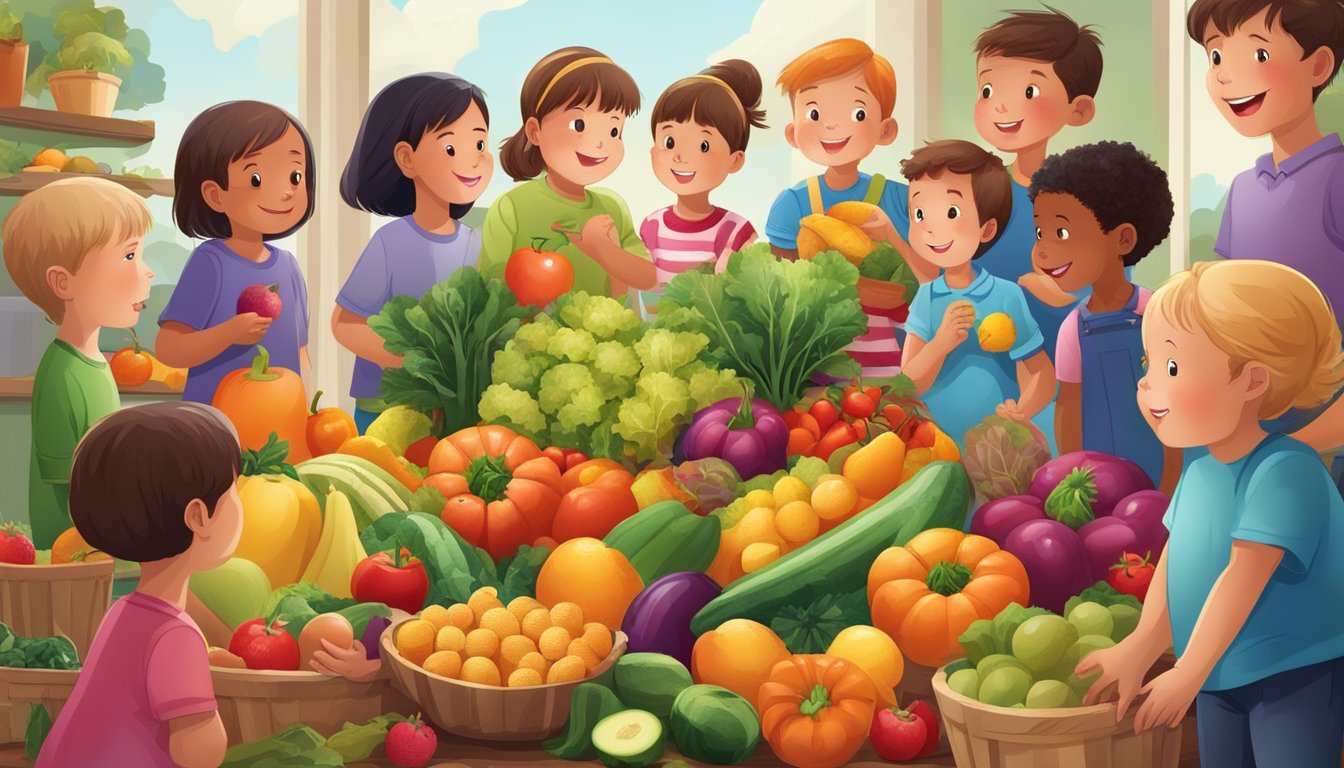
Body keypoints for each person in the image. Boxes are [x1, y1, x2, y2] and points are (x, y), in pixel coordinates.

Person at [1077, 260, 1344, 768]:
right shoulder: (1201, 473)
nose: (1148, 385)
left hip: (1291, 673)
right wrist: (1142, 643)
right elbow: (1179, 566)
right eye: (1148, 366)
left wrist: (1187, 671)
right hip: (1218, 671)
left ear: (1252, 381)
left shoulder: (1286, 471)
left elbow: (1242, 579)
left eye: (1171, 368)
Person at [39, 402, 243, 768]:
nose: (241, 506)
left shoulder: (122, 611)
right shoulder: (176, 635)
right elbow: (197, 753)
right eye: (234, 492)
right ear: (198, 516)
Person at [1187, 0, 1344, 453]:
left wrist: (1310, 442)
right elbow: (1223, 313)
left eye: (1258, 55)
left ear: (1317, 65)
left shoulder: (1336, 179)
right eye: (1216, 56)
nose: (1225, 75)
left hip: (1324, 429)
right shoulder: (1243, 189)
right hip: (1252, 421)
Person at [334, 73, 494, 433]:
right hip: (387, 409)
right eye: (451, 148)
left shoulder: (477, 244)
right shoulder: (391, 243)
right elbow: (345, 324)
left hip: (458, 414)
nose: (472, 161)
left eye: (480, 146)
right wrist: (410, 363)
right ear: (407, 159)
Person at [0, 177, 154, 549]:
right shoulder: (62, 375)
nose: (147, 271)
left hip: (101, 539)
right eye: (129, 256)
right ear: (63, 283)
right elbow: (70, 482)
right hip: (72, 553)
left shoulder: (94, 363)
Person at [1030, 141, 1182, 493]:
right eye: (1041, 233)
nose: (1043, 249)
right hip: (1095, 481)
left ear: (1123, 239)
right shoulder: (1073, 329)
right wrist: (1071, 481)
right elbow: (1068, 408)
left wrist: (1172, 482)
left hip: (1159, 471)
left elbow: (1176, 400)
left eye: (1062, 232)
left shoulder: (1157, 314)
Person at [766, 38, 922, 379]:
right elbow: (781, 294)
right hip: (815, 369)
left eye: (857, 112)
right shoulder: (791, 205)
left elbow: (929, 283)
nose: (832, 126)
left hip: (893, 366)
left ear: (886, 129)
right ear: (793, 133)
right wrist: (869, 291)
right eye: (815, 113)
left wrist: (892, 237)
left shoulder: (903, 200)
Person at [156, 101, 316, 408]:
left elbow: (301, 353)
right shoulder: (211, 263)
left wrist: (308, 411)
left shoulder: (289, 267)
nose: (286, 192)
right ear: (215, 195)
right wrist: (229, 333)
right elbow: (169, 348)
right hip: (217, 428)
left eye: (295, 176)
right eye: (256, 179)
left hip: (282, 422)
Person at [899, 140, 1055, 449]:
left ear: (986, 230)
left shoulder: (1006, 295)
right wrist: (940, 343)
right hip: (935, 447)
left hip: (998, 448)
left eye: (952, 212)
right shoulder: (926, 298)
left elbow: (1042, 375)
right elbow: (908, 383)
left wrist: (1021, 411)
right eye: (919, 214)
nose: (931, 228)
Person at [476, 47, 654, 301]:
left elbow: (647, 278)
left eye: (614, 130)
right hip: (531, 337)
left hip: (609, 336)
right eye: (578, 125)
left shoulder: (612, 207)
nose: (600, 143)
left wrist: (602, 249)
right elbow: (490, 289)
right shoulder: (511, 207)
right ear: (535, 131)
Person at [640, 59, 766, 314]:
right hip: (656, 335)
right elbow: (643, 283)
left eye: (703, 146)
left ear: (735, 160)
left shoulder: (734, 231)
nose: (681, 157)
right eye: (670, 141)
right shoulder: (652, 225)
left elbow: (737, 293)